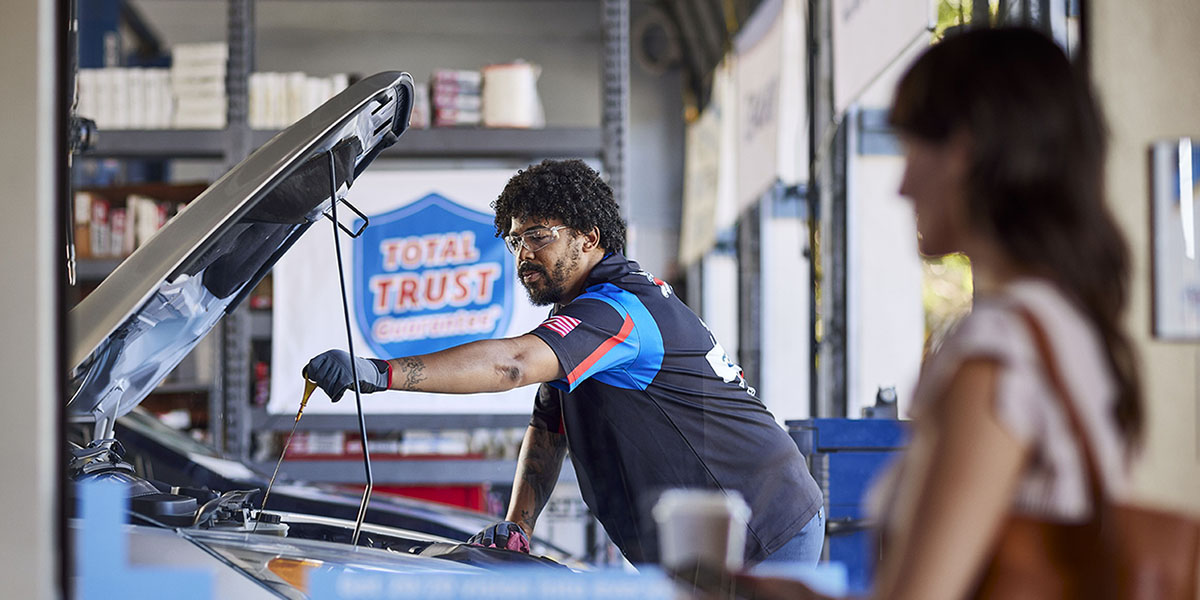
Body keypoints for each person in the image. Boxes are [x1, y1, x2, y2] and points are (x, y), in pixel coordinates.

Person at [732, 27, 1143, 600]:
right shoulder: (1069, 325)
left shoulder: (999, 351)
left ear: (963, 152)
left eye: (910, 150)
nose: (901, 186)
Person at [304, 159, 825, 566]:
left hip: (764, 525)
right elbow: (550, 426)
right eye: (514, 240)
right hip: (716, 529)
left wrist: (379, 372)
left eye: (538, 235)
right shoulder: (582, 322)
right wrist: (518, 525)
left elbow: (511, 364)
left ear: (589, 238)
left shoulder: (618, 310)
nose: (522, 253)